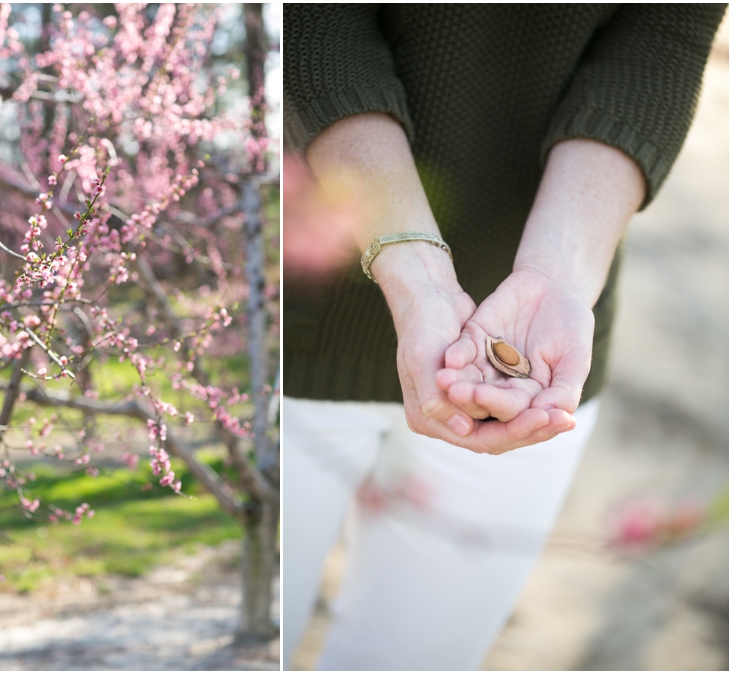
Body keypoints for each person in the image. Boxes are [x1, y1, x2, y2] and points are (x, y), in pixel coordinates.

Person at [281, 4, 726, 670]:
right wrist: (416, 272)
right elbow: (313, 29)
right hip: (295, 322)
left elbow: (661, 34)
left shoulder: (543, 338)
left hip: (549, 335)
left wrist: (560, 278)